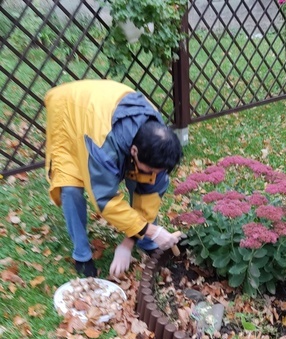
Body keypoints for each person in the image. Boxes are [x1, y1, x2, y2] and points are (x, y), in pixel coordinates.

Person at [44, 79, 183, 278]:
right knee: (71, 187)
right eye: (152, 168)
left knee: (144, 179)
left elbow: (150, 195)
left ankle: (142, 241)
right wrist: (153, 231)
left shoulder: (158, 141)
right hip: (69, 111)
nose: (156, 173)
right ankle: (81, 254)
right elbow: (105, 200)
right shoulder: (103, 146)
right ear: (134, 151)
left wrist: (129, 242)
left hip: (103, 104)